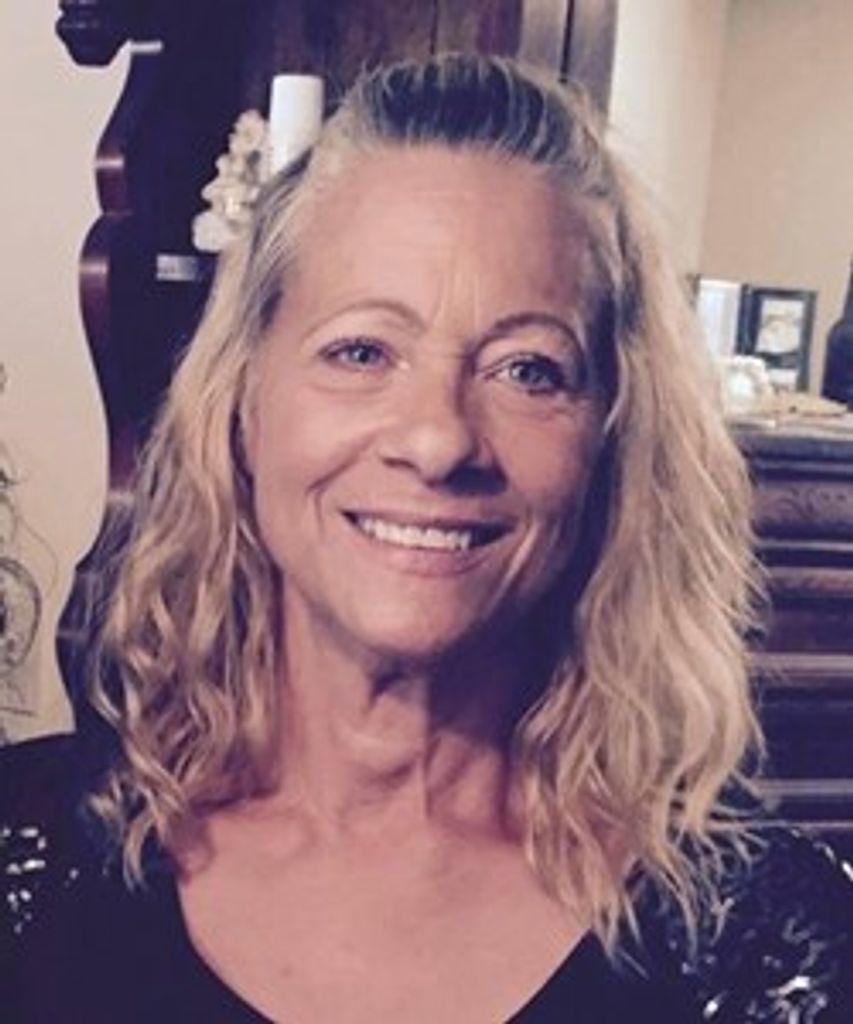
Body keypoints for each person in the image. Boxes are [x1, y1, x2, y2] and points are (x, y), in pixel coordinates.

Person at [2, 53, 851, 1023]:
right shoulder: (34, 857)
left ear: (613, 439)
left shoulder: (764, 944)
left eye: (527, 370)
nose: (438, 438)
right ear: (242, 404)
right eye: (361, 351)